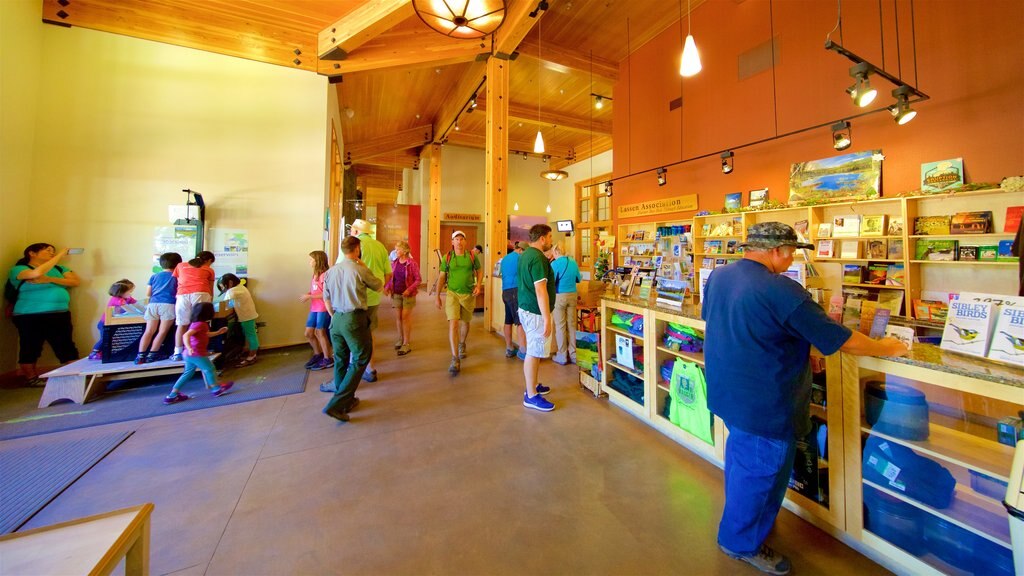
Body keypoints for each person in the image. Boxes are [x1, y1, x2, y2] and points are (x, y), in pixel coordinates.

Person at [702, 222, 909, 575]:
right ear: (778, 251)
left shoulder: (720, 277)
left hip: (728, 391)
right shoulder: (782, 289)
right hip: (765, 400)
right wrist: (886, 346)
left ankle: (747, 522)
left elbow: (737, 324)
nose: (793, 258)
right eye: (793, 251)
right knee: (762, 473)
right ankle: (740, 541)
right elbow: (841, 339)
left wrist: (798, 346)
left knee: (743, 465)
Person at [321, 236, 383, 422]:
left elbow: (326, 298)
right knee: (361, 357)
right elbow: (378, 286)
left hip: (336, 320)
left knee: (340, 359)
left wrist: (334, 316)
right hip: (353, 319)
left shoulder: (331, 271)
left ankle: (346, 401)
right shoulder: (358, 269)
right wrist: (364, 266)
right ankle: (336, 404)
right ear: (356, 249)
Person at [7, 244, 81, 385]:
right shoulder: (19, 269)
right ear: (32, 253)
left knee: (66, 345)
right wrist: (60, 255)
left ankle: (76, 376)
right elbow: (36, 274)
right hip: (29, 315)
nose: (51, 253)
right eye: (47, 250)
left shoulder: (60, 269)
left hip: (59, 313)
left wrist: (50, 279)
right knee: (30, 346)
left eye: (53, 251)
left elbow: (75, 281)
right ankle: (31, 378)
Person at [344, 219, 390, 383]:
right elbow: (387, 272)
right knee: (369, 332)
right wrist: (382, 287)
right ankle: (370, 368)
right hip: (374, 297)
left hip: (353, 297)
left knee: (352, 332)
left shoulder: (351, 245)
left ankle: (353, 367)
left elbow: (339, 268)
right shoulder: (380, 246)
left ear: (355, 231)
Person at [163, 302, 233, 404]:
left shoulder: (198, 323)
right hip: (197, 353)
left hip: (189, 355)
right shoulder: (200, 324)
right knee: (209, 369)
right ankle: (216, 389)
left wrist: (218, 332)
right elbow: (186, 335)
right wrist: (189, 347)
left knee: (187, 374)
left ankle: (172, 395)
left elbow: (206, 334)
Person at [518, 224, 555, 412]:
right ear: (542, 238)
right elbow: (541, 290)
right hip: (535, 312)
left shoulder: (526, 254)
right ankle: (531, 395)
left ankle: (533, 384)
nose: (551, 240)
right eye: (549, 237)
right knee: (533, 352)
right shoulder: (538, 258)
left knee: (536, 350)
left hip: (526, 308)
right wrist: (547, 317)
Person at [435, 230, 482, 375]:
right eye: (457, 239)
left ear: (465, 242)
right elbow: (442, 277)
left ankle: (462, 343)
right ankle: (455, 358)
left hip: (468, 294)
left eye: (462, 239)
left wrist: (478, 285)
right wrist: (437, 295)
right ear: (452, 242)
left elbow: (479, 271)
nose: (459, 242)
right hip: (452, 294)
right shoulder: (447, 257)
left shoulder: (472, 256)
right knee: (453, 323)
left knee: (466, 322)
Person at [135, 252, 182, 364]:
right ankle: (152, 355)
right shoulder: (176, 277)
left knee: (149, 331)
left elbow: (148, 293)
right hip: (168, 305)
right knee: (162, 331)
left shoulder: (154, 276)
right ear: (178, 264)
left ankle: (140, 356)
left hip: (152, 305)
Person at [171, 251, 216, 361]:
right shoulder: (209, 269)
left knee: (181, 324)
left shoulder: (180, 266)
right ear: (209, 260)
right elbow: (210, 288)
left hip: (182, 295)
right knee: (200, 324)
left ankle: (177, 352)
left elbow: (178, 281)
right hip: (201, 293)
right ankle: (200, 351)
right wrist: (210, 301)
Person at [383, 240, 421, 356]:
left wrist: (409, 289)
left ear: (405, 251)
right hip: (397, 294)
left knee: (405, 318)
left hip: (408, 295)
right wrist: (387, 287)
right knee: (398, 317)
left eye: (398, 249)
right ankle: (400, 338)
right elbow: (391, 278)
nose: (396, 251)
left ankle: (406, 343)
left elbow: (418, 279)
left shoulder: (412, 263)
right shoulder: (395, 262)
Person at [88, 279, 138, 360]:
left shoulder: (127, 298)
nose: (130, 294)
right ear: (121, 292)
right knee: (105, 339)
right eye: (129, 292)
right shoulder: (117, 299)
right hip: (105, 323)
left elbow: (135, 303)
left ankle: (102, 352)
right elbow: (125, 308)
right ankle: (94, 352)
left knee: (110, 339)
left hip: (112, 323)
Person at [300, 250, 333, 371]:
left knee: (320, 333)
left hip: (323, 308)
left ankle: (327, 358)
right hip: (314, 308)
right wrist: (309, 294)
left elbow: (326, 293)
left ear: (317, 261)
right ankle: (317, 354)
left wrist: (310, 297)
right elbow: (315, 290)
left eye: (311, 259)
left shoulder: (325, 275)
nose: (310, 262)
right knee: (308, 333)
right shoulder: (314, 275)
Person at [549, 244, 581, 365]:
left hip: (559, 296)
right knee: (572, 325)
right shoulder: (572, 262)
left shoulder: (555, 264)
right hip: (572, 295)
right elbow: (578, 278)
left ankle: (562, 355)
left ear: (555, 252)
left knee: (560, 326)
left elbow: (551, 282)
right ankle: (573, 355)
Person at [217, 273, 259, 366]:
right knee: (251, 335)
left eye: (223, 287)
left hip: (246, 316)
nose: (224, 289)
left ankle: (251, 357)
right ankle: (253, 355)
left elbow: (225, 306)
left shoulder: (232, 291)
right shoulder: (241, 287)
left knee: (251, 336)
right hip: (249, 315)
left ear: (230, 283)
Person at [499, 242, 526, 359]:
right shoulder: (520, 258)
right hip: (515, 291)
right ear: (521, 250)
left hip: (505, 291)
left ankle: (509, 348)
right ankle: (523, 350)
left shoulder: (505, 258)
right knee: (520, 321)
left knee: (508, 320)